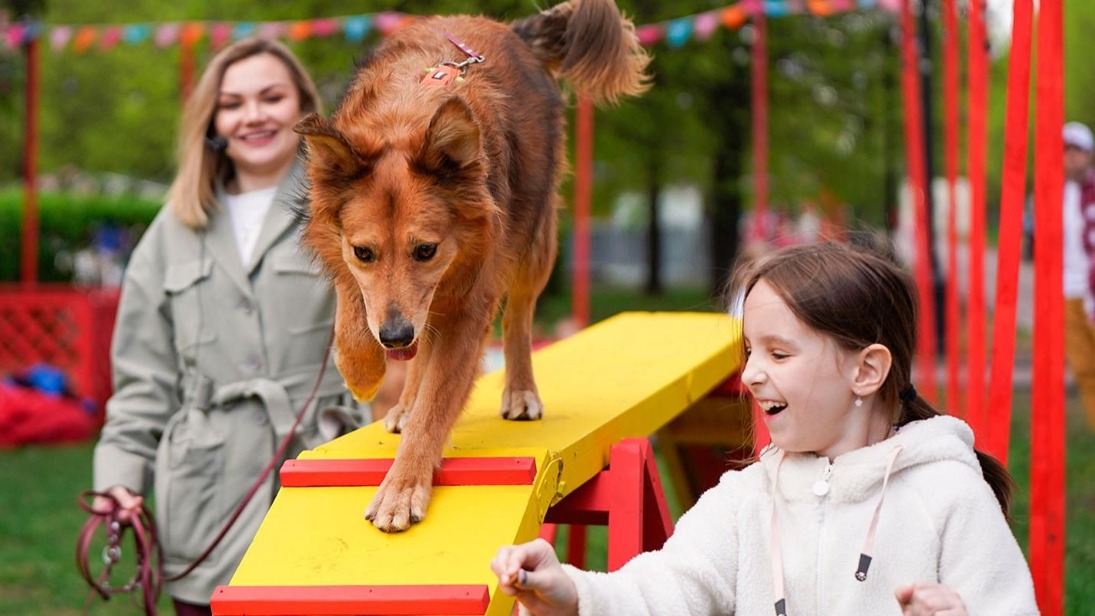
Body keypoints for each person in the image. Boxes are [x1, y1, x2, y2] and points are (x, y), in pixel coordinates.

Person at [492, 241, 1038, 615]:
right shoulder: (746, 499)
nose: (751, 374)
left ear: (866, 370)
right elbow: (663, 589)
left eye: (779, 353)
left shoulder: (949, 494)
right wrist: (571, 594)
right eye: (751, 351)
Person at [90, 38, 368, 615]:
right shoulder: (172, 230)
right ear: (213, 121)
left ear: (302, 107)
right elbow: (144, 382)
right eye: (234, 103)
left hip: (323, 472)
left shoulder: (350, 207)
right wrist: (119, 479)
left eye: (272, 97)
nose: (254, 115)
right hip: (204, 494)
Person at [1062, 121, 1095, 430]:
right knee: (1085, 367)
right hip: (1068, 292)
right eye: (1065, 151)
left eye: (1076, 150)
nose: (1070, 157)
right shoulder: (1056, 196)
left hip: (1092, 291)